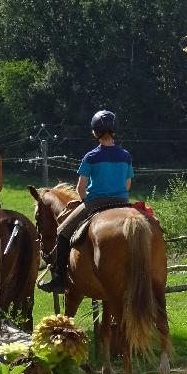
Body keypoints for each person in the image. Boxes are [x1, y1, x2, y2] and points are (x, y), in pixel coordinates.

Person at [38, 109, 134, 293]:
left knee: (62, 232)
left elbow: (80, 188)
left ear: (94, 132)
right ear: (115, 130)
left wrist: (86, 202)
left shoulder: (91, 156)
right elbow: (127, 184)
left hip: (96, 203)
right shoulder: (125, 155)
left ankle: (59, 280)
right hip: (123, 201)